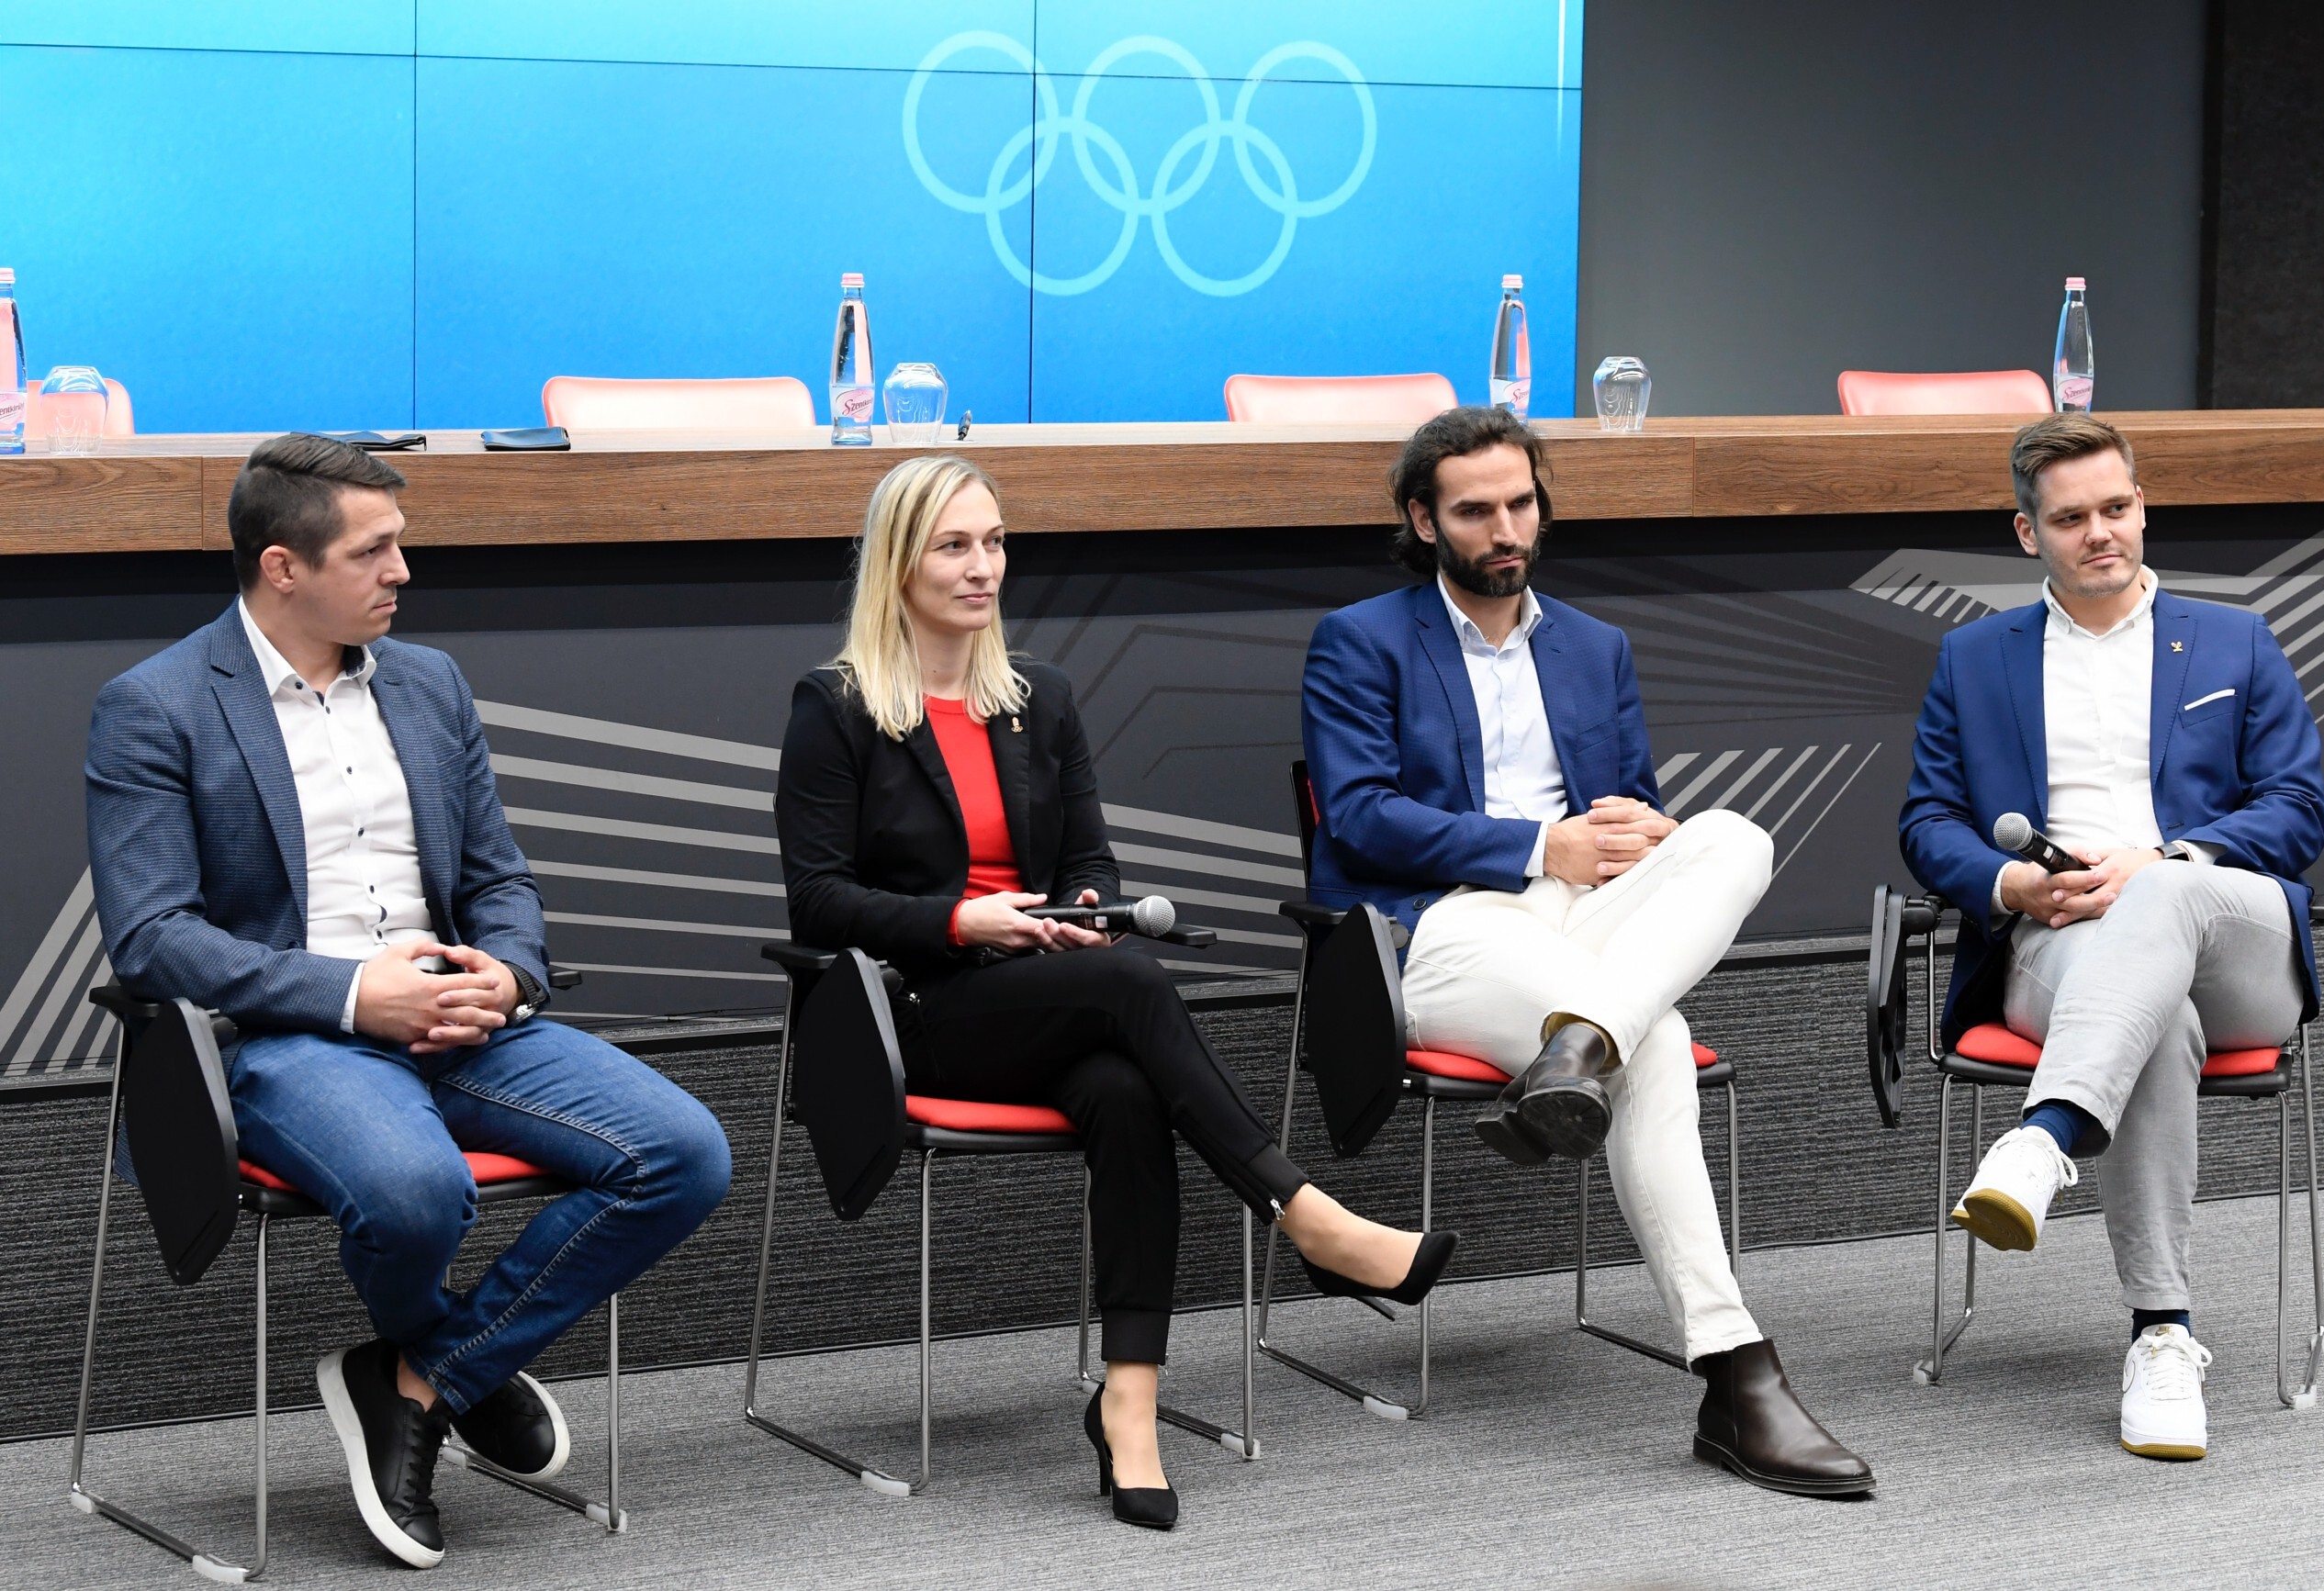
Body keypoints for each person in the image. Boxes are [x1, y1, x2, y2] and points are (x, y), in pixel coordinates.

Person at [84, 434, 733, 1569]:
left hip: (461, 1016)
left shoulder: (428, 683)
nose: (403, 570)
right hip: (291, 1036)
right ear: (284, 566)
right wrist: (352, 993)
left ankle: (420, 1377)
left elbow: (498, 878)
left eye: (401, 544)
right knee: (416, 1191)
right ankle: (443, 1365)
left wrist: (509, 971)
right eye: (374, 549)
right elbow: (152, 937)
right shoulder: (156, 705)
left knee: (683, 1151)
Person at [774, 454, 1454, 1531]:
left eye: (994, 542)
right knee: (1133, 983)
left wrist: (1079, 908)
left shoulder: (1037, 697)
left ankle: (1128, 1399)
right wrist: (963, 920)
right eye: (954, 546)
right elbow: (817, 900)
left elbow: (1089, 857)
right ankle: (1310, 1217)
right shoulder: (838, 706)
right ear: (898, 563)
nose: (982, 566)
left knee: (1127, 1088)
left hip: (1049, 991)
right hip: (919, 1010)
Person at [1300, 406, 1872, 1498]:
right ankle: (1736, 1372)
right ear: (1422, 520)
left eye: (1520, 503)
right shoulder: (1360, 639)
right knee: (1651, 1043)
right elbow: (1361, 817)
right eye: (1474, 510)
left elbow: (1629, 800)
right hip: (1443, 928)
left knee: (1731, 836)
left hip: (1582, 918)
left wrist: (1643, 828)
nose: (1504, 528)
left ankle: (1576, 1049)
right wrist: (1536, 844)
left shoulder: (1591, 644)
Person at [1901, 412, 2324, 1462]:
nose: (2099, 532)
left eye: (2116, 507)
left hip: (2231, 940)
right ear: (2025, 533)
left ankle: (2043, 1138)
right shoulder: (1973, 657)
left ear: (2141, 506)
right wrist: (2009, 882)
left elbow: (2296, 809)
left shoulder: (2233, 639)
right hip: (2059, 943)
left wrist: (2166, 859)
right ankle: (2161, 1334)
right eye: (2069, 518)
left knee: (2164, 892)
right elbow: (1927, 820)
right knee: (2154, 1020)